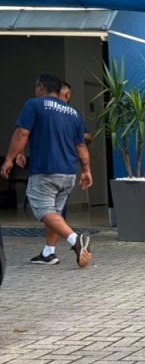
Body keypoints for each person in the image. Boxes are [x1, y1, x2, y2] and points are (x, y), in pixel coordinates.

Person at [1, 73, 92, 267]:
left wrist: (9, 159)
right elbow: (81, 146)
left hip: (45, 170)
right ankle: (49, 253)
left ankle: (75, 239)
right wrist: (87, 170)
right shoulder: (73, 113)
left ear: (41, 87)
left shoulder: (34, 105)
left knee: (44, 211)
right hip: (68, 173)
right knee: (55, 214)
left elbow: (22, 132)